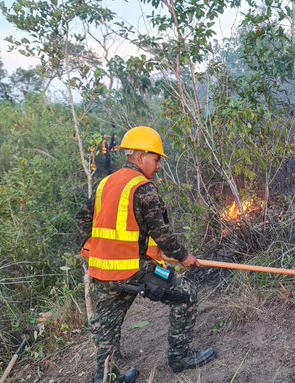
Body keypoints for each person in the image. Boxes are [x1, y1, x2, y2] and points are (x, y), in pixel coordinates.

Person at [78, 126, 216, 383]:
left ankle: (106, 376)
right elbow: (161, 233)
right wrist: (185, 257)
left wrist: (90, 251)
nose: (159, 165)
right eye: (156, 159)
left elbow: (83, 222)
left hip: (101, 270)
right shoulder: (143, 188)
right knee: (186, 293)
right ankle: (180, 357)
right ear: (141, 156)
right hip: (131, 269)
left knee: (106, 321)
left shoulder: (104, 184)